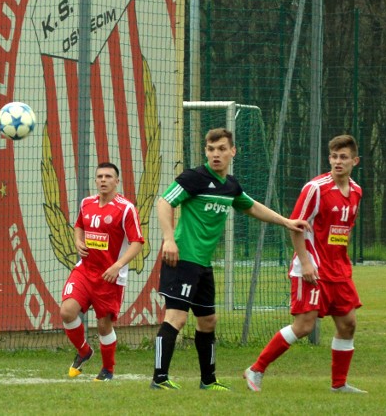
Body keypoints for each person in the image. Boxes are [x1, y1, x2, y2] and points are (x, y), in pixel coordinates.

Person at [150, 128, 310, 391]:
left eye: (222, 149)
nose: (216, 154)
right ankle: (159, 379)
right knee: (176, 318)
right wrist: (169, 239)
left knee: (208, 321)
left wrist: (286, 222)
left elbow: (252, 206)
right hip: (182, 260)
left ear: (232, 152)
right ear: (206, 151)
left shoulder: (230, 186)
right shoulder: (194, 178)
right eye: (211, 149)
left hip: (203, 264)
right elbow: (164, 202)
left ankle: (208, 380)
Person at [244, 135, 365, 393]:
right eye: (333, 156)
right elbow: (295, 226)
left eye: (343, 157)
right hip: (311, 267)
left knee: (348, 324)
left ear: (355, 161)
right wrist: (306, 262)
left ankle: (339, 384)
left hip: (339, 270)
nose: (337, 162)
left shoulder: (356, 191)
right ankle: (255, 370)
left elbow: (344, 230)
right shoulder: (315, 188)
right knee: (304, 326)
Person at [61, 162, 144, 381]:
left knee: (103, 325)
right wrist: (78, 240)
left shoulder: (126, 208)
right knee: (67, 311)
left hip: (110, 277)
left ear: (117, 181)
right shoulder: (86, 203)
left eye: (108, 176)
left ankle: (108, 369)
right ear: (96, 180)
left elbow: (137, 243)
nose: (103, 180)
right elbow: (79, 225)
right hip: (85, 271)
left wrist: (117, 266)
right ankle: (84, 351)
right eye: (100, 176)